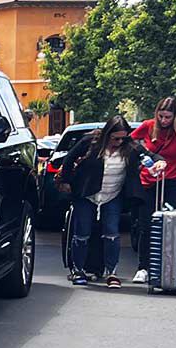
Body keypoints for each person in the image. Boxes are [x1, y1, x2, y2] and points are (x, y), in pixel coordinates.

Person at [55, 115, 144, 287]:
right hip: (86, 194)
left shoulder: (130, 148)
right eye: (115, 138)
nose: (119, 142)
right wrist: (66, 181)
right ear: (107, 135)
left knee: (112, 233)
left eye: (123, 138)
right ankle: (78, 270)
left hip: (112, 195)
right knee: (82, 233)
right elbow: (69, 159)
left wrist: (157, 163)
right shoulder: (90, 143)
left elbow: (148, 155)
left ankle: (111, 272)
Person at [129, 97, 176, 283]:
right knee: (146, 225)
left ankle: (169, 266)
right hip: (149, 181)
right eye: (161, 116)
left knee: (171, 224)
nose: (163, 121)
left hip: (174, 181)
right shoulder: (148, 126)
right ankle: (144, 267)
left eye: (168, 117)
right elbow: (130, 143)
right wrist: (143, 158)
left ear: (175, 116)